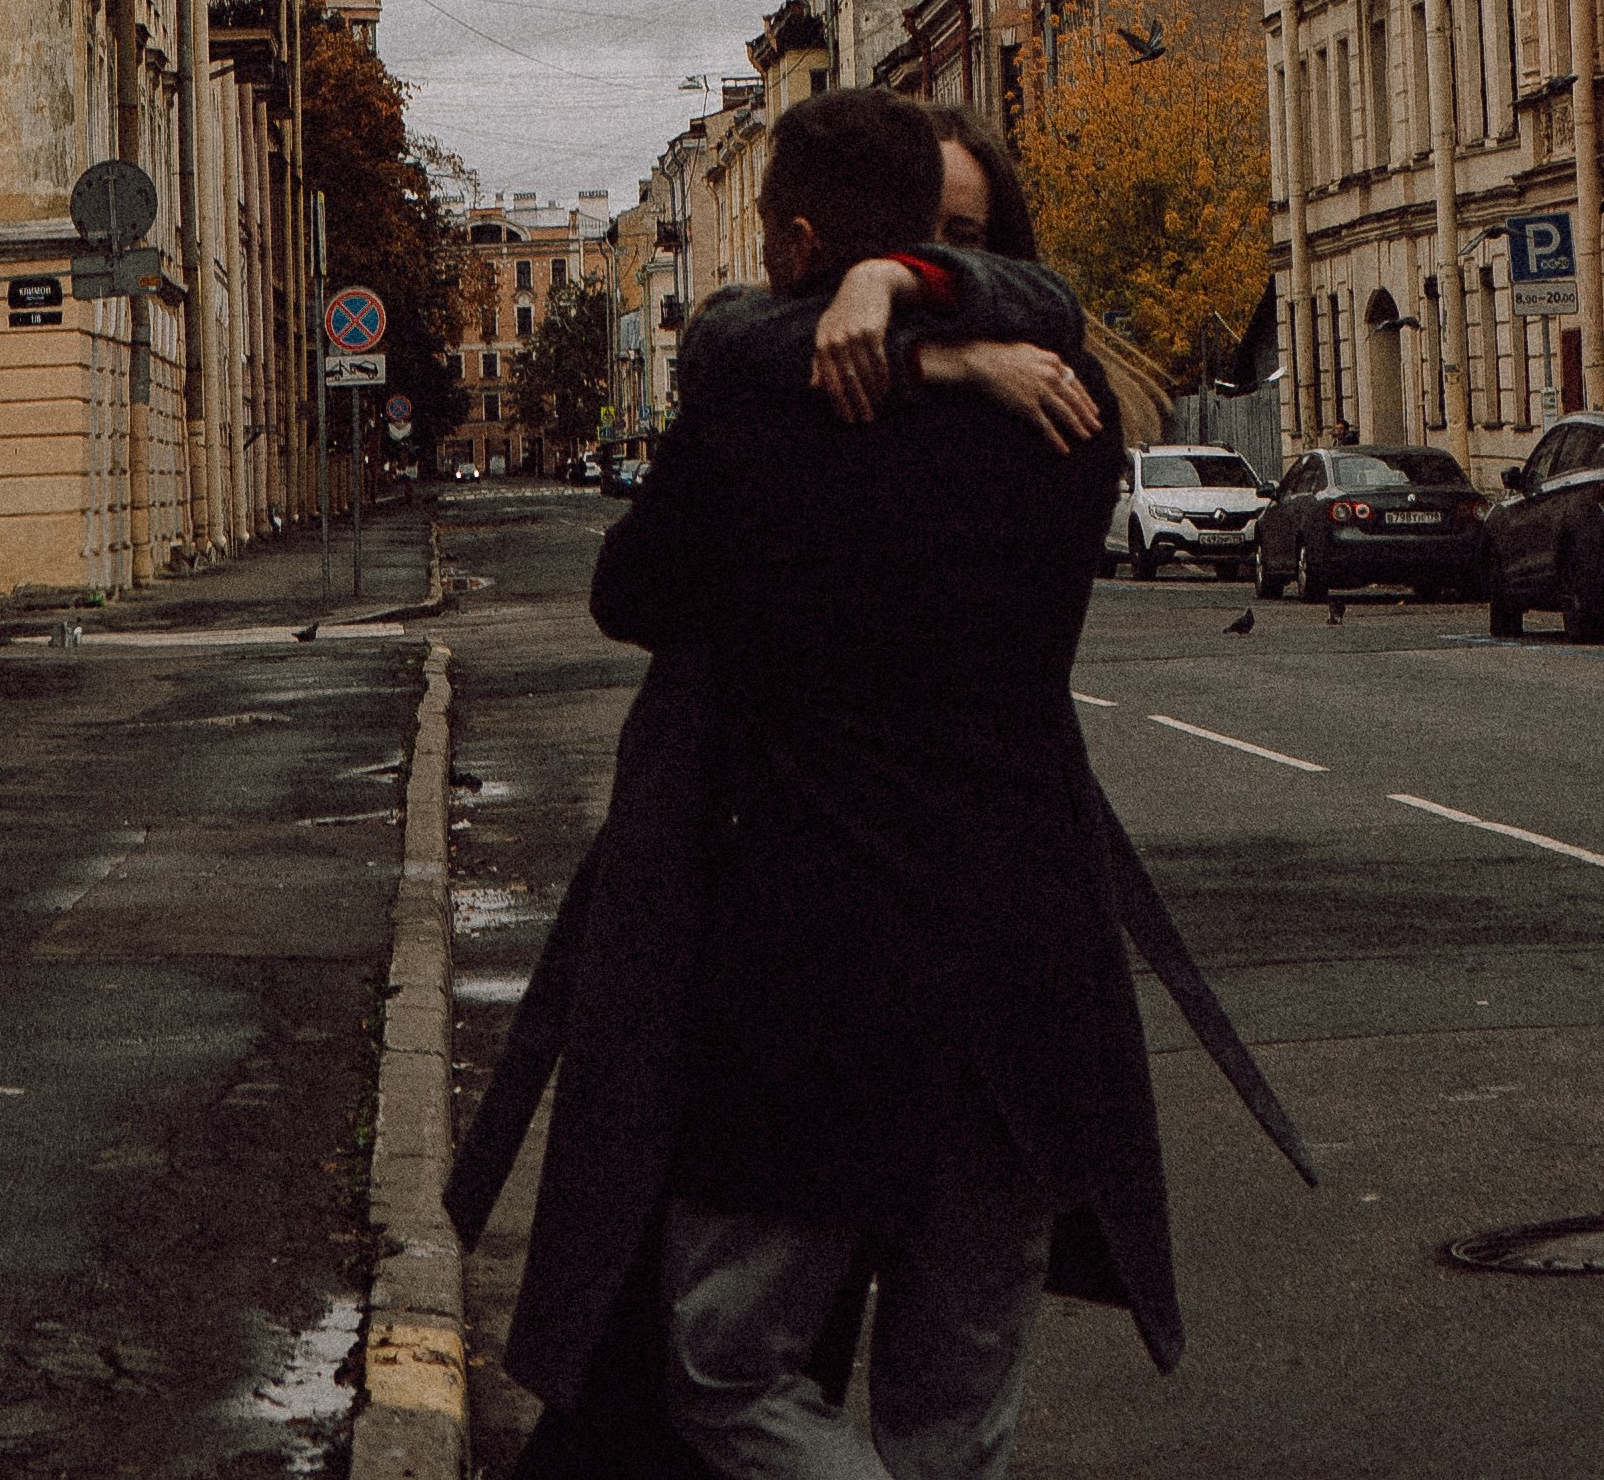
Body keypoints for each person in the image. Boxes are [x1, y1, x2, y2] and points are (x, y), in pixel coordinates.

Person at [445, 86, 1310, 1479]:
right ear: (934, 247)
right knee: (953, 1409)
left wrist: (871, 327)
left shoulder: (751, 422)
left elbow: (634, 585)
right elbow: (1040, 306)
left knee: (726, 1369)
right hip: (1029, 976)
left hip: (808, 974)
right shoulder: (1073, 428)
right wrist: (940, 350)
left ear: (796, 245)